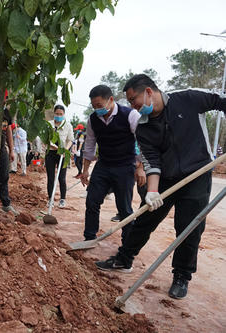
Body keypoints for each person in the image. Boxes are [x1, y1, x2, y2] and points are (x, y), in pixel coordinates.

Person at [96, 74, 226, 299]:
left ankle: (182, 276)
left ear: (148, 92)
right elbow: (151, 161)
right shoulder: (143, 126)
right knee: (145, 218)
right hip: (165, 177)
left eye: (133, 99)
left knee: (189, 227)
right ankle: (124, 259)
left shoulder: (188, 99)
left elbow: (220, 102)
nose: (132, 106)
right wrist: (153, 192)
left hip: (198, 175)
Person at [75, 85, 141, 244]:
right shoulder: (93, 119)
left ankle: (127, 246)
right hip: (104, 165)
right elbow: (89, 146)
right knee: (92, 200)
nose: (97, 109)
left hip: (125, 166)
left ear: (111, 100)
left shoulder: (130, 115)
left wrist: (140, 167)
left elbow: (143, 141)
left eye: (99, 105)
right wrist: (85, 171)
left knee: (124, 207)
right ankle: (89, 237)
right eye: (94, 106)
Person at [46, 105, 74, 208]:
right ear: (54, 113)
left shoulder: (68, 125)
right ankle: (50, 199)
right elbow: (46, 140)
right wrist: (56, 148)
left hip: (63, 154)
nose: (58, 116)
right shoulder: (49, 124)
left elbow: (71, 140)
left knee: (62, 178)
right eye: (57, 114)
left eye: (60, 114)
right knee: (51, 178)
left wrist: (65, 149)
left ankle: (62, 199)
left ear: (64, 114)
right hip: (51, 153)